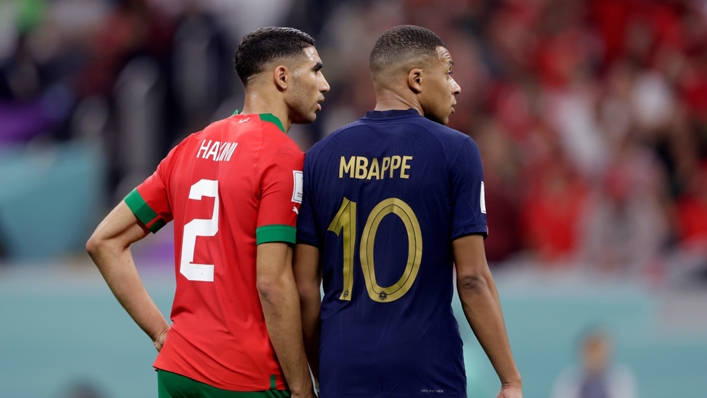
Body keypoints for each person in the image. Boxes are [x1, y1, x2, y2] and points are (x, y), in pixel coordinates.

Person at [86, 27, 329, 398]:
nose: (325, 84)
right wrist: (301, 387)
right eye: (315, 70)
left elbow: (104, 241)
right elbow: (272, 283)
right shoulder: (283, 157)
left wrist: (160, 332)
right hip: (245, 376)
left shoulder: (190, 147)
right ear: (282, 77)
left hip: (178, 367)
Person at [294, 25, 522, 398]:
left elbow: (305, 288)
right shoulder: (456, 151)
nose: (456, 86)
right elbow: (471, 280)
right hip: (427, 370)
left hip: (344, 367)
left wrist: (325, 371)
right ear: (416, 79)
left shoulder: (319, 158)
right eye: (447, 72)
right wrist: (510, 378)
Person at [551, 329, 638, 398]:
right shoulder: (569, 381)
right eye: (592, 354)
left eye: (599, 354)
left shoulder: (621, 379)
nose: (596, 359)